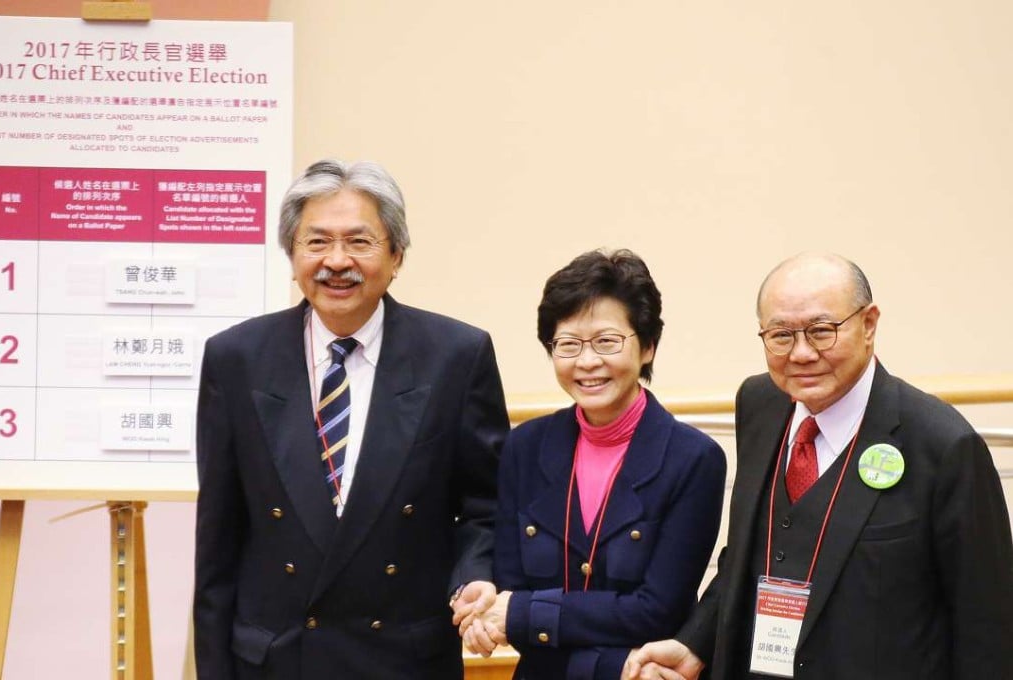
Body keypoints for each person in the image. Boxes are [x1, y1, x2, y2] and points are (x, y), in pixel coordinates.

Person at [624, 252, 1013, 680]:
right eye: (781, 335)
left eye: (822, 331)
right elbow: (749, 555)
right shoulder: (760, 404)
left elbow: (987, 629)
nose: (802, 353)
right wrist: (694, 644)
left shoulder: (943, 445)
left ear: (869, 324)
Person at [193, 158, 510, 679]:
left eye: (359, 242)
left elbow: (486, 505)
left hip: (403, 657)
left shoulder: (456, 354)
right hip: (276, 658)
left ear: (396, 255)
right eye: (316, 242)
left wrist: (473, 577)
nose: (336, 261)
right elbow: (219, 539)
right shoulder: (237, 358)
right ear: (292, 254)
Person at [454, 249, 727, 679]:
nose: (586, 362)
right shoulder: (525, 446)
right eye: (568, 344)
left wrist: (525, 615)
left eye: (606, 342)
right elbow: (509, 587)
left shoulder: (694, 459)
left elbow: (658, 611)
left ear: (648, 346)